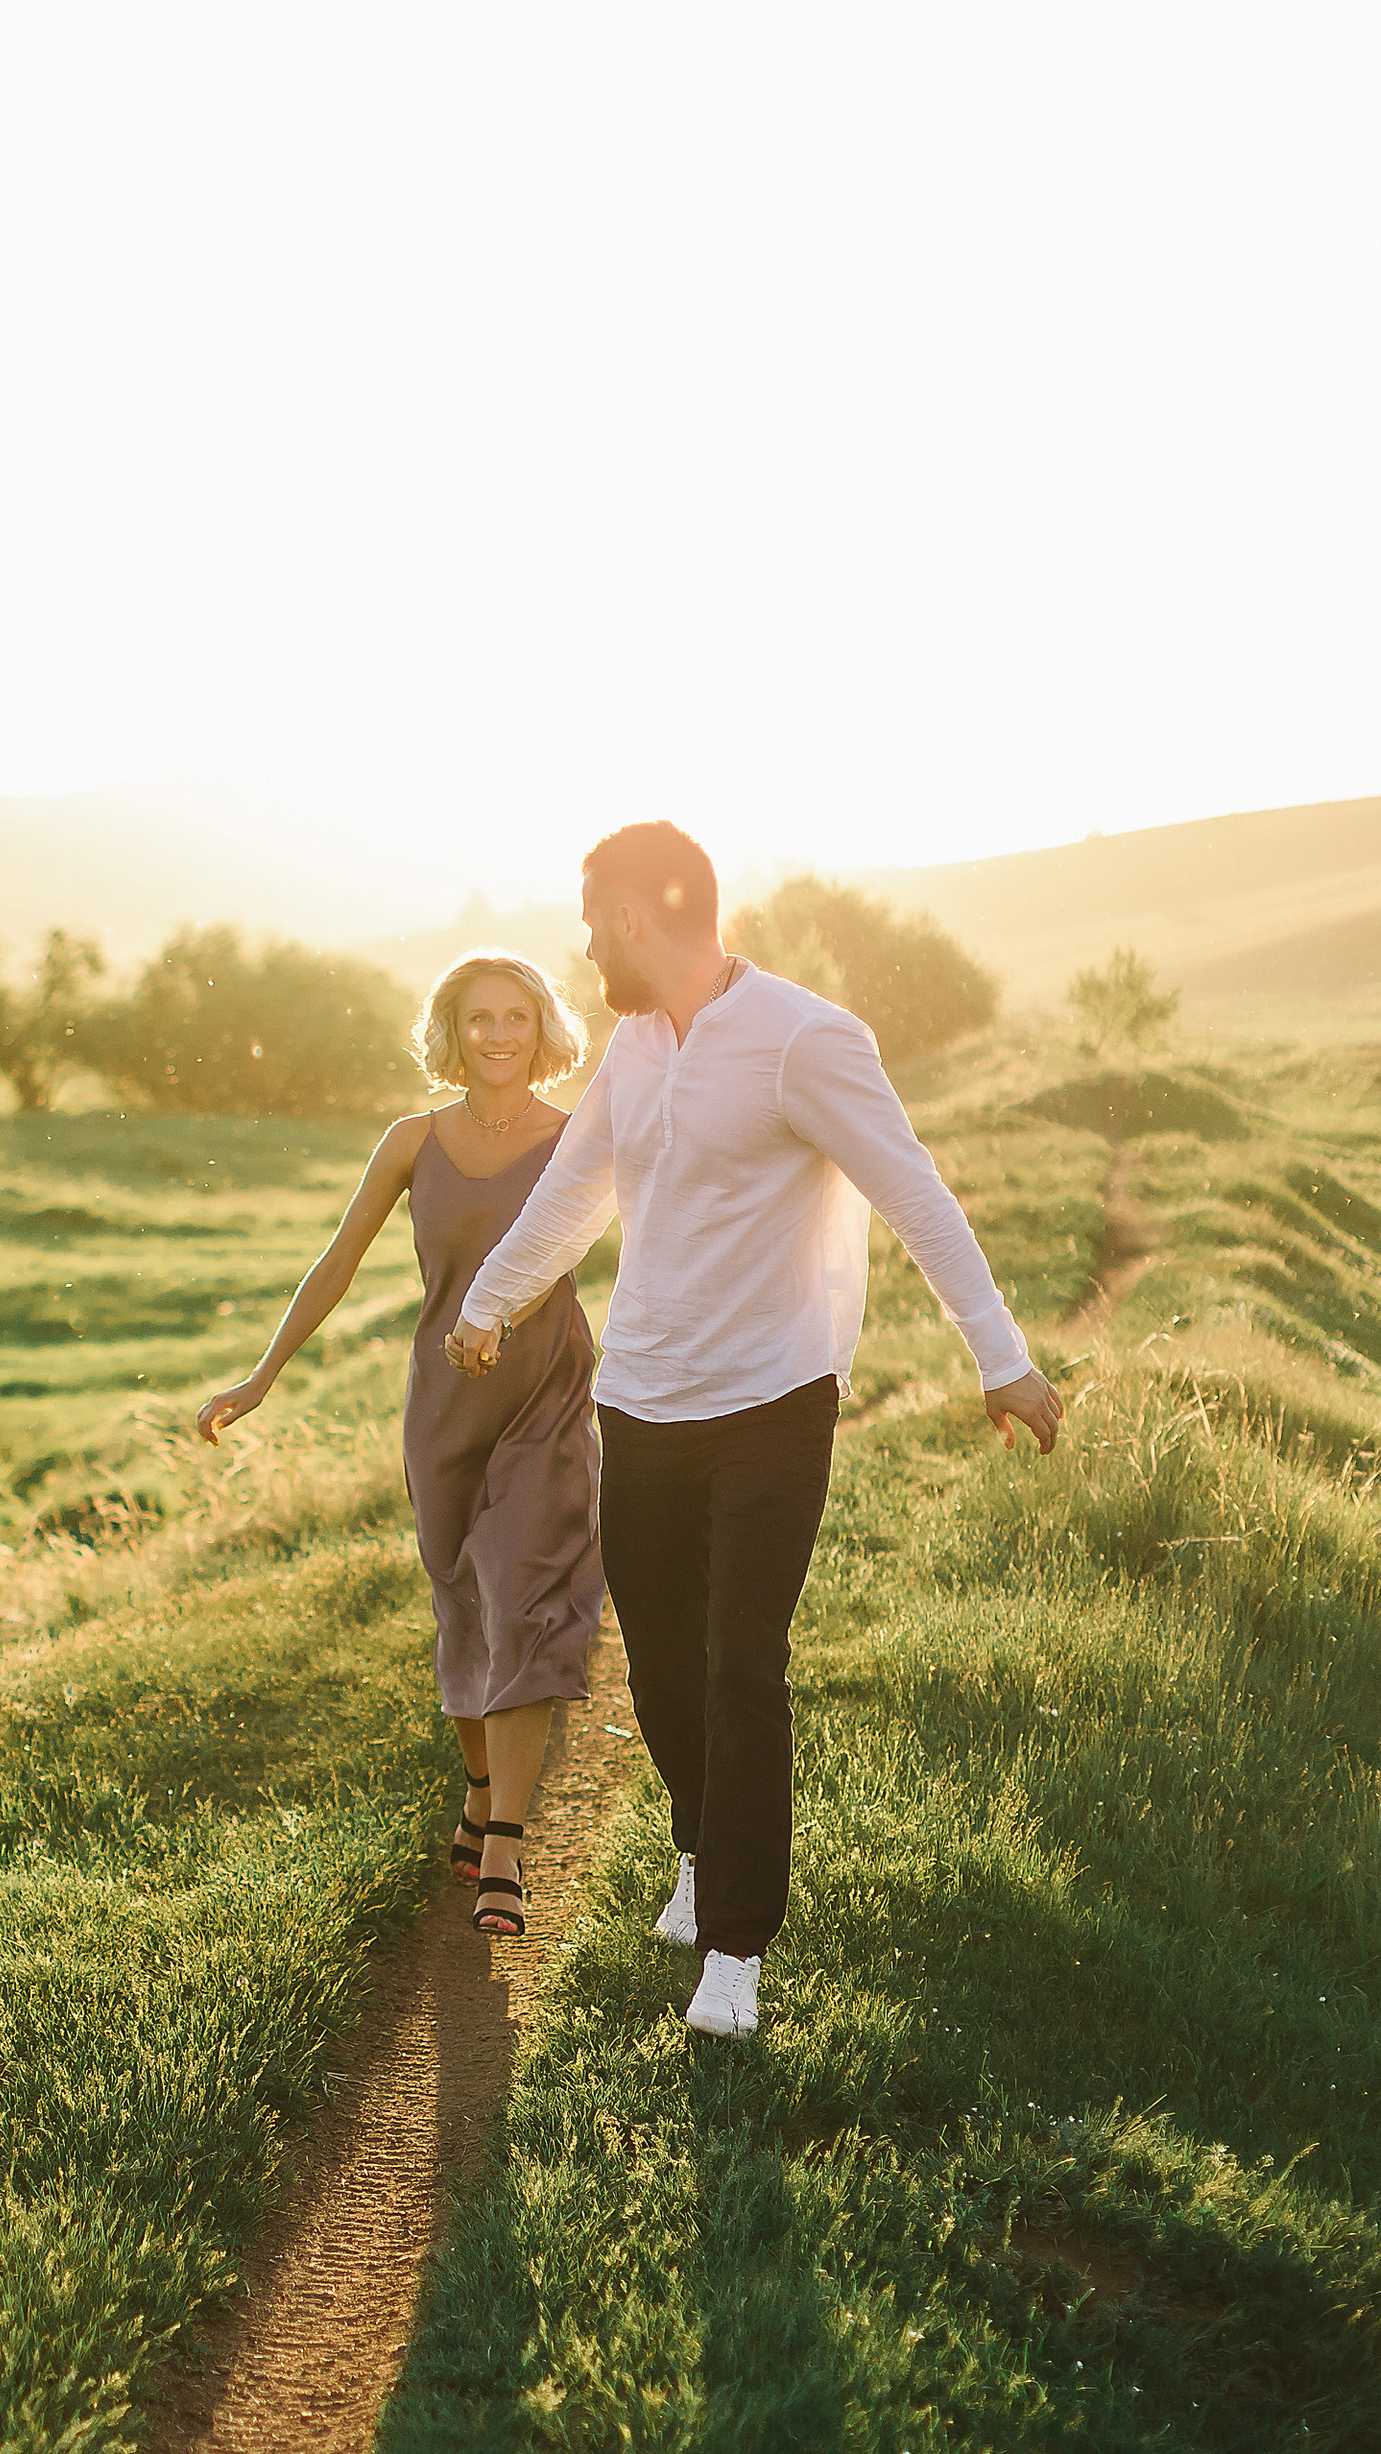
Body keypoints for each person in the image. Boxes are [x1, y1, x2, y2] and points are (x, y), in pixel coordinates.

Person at [446, 819, 1062, 2039]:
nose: (581, 950)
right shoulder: (632, 1045)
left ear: (632, 917)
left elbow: (912, 1193)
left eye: (587, 923)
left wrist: (1002, 1357)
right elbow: (578, 1188)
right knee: (667, 1670)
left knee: (741, 1668)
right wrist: (489, 1303)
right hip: (645, 1396)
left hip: (774, 1401)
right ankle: (698, 1845)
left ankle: (735, 1948)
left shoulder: (804, 1039)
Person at [196, 955, 604, 1936]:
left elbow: (571, 1247)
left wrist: (509, 1311)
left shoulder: (581, 1138)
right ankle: (477, 1781)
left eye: (516, 1017)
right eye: (478, 1019)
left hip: (544, 1392)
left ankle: (504, 1842)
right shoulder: (410, 1141)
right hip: (441, 1407)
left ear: (543, 1029)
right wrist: (262, 1375)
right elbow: (337, 1264)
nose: (498, 1035)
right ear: (450, 1033)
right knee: (461, 1606)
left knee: (529, 1599)